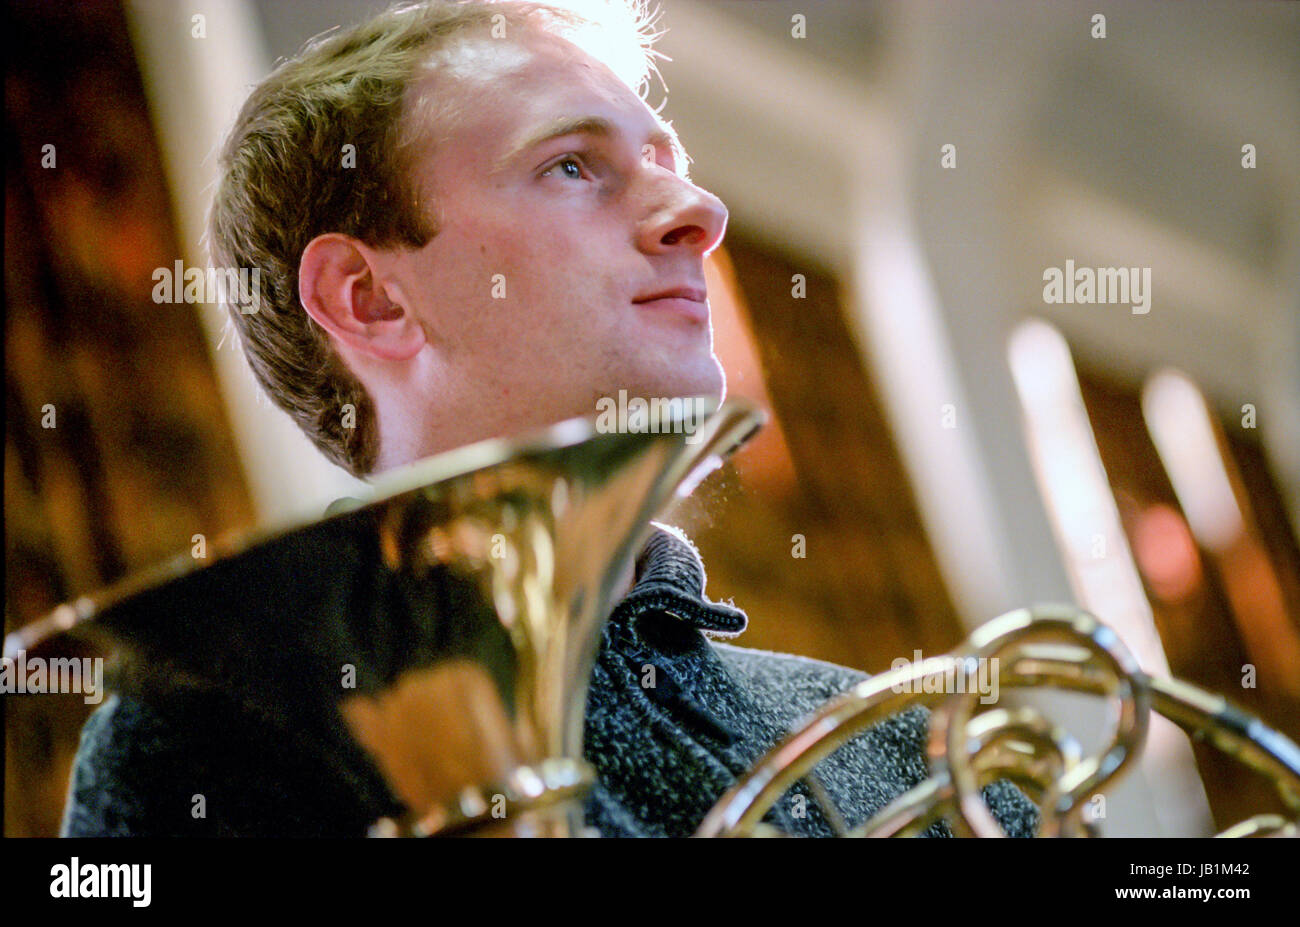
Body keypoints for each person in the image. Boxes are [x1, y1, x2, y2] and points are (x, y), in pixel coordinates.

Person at [62, 0, 1039, 837]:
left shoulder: (923, 756)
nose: (699, 212)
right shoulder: (210, 740)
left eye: (669, 161)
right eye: (572, 165)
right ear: (370, 298)